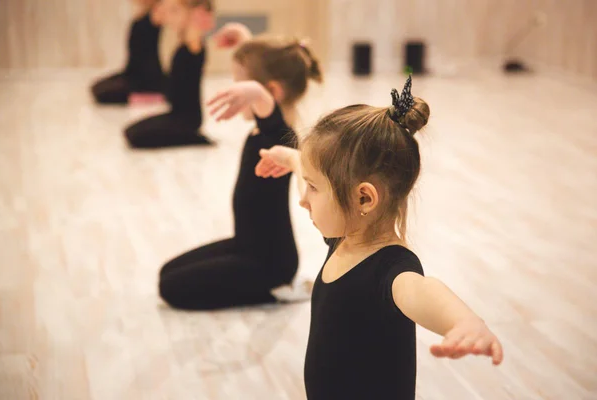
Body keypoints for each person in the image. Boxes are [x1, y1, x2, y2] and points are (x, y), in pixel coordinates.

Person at [255, 76, 503, 399]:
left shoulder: (392, 271)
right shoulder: (346, 238)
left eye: (313, 188)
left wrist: (466, 322)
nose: (304, 199)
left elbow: (425, 292)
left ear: (364, 199)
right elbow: (312, 188)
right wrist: (291, 161)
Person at [158, 23, 322, 309]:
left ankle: (277, 291)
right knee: (167, 273)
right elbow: (265, 72)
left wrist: (256, 92)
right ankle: (271, 287)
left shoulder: (280, 135)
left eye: (240, 85)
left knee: (171, 288)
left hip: (269, 263)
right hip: (245, 245)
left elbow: (268, 107)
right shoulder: (266, 127)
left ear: (270, 92)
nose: (235, 91)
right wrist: (245, 41)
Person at [123, 0, 215, 148]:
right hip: (174, 114)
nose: (169, 17)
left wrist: (197, 15)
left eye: (175, 11)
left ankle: (194, 138)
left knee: (136, 136)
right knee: (129, 132)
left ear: (192, 15)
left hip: (187, 120)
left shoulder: (193, 43)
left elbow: (200, 10)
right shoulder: (183, 42)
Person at [90, 0, 166, 105]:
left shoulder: (159, 14)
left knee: (104, 93)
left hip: (149, 78)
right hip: (135, 72)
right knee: (97, 88)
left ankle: (151, 97)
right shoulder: (144, 14)